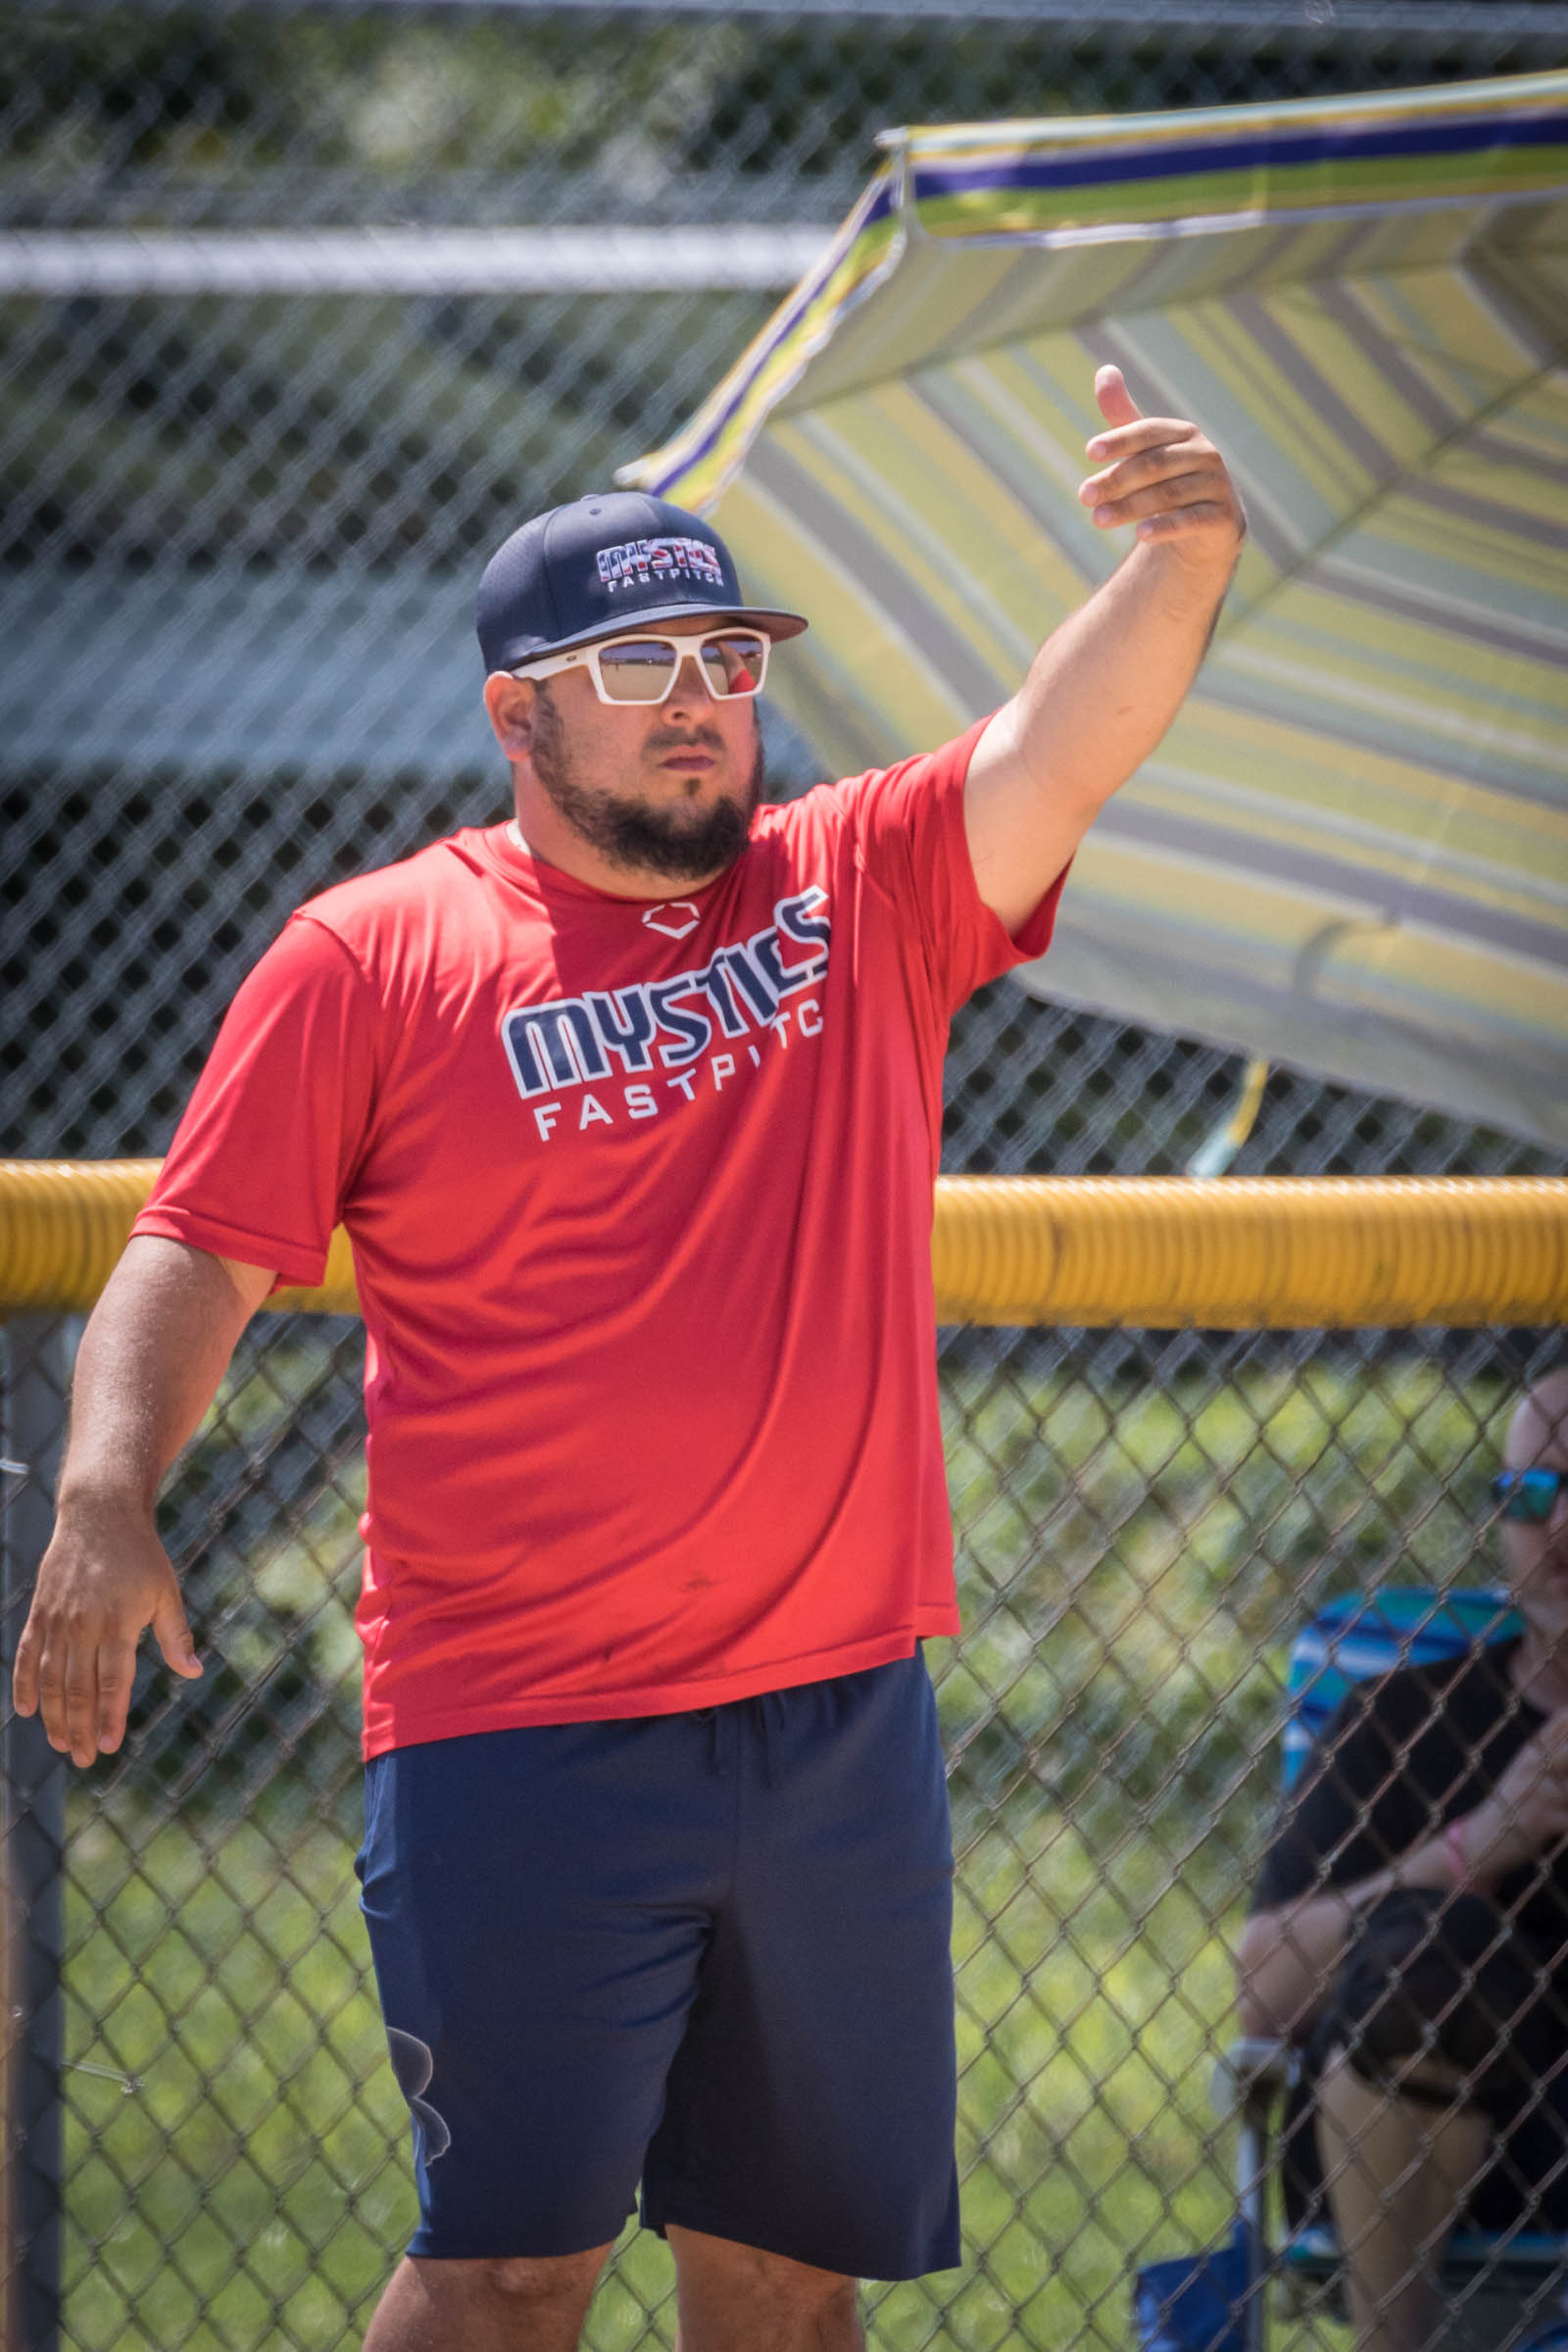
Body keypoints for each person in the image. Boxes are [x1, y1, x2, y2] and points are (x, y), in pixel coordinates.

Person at [16, 363, 1244, 2352]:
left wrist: (1177, 565)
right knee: (511, 2271)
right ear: (517, 716)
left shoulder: (851, 885)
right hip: (522, 1724)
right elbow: (197, 1248)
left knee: (787, 2277)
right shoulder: (374, 953)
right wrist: (103, 1495)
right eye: (639, 664)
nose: (700, 699)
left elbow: (1058, 743)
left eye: (729, 659)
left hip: (832, 1717)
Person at [1235, 1371, 1568, 2352]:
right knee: (1438, 1946)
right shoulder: (1399, 1717)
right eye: (1531, 1495)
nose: (1558, 1528)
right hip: (1402, 2141)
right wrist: (1476, 1845)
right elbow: (1263, 1992)